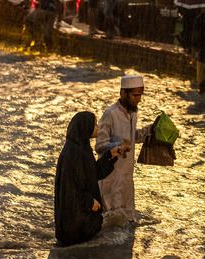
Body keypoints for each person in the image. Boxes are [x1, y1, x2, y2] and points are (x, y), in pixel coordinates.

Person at [54, 111, 120, 246]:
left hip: (75, 218)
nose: (97, 127)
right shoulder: (74, 153)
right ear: (85, 127)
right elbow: (72, 187)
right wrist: (90, 202)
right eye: (94, 124)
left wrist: (109, 156)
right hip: (74, 223)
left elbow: (92, 174)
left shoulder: (81, 148)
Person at [95, 75, 148, 226]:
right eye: (135, 95)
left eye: (140, 95)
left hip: (127, 180)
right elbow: (99, 145)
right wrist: (117, 146)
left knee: (127, 224)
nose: (139, 99)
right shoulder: (110, 114)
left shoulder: (133, 114)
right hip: (111, 180)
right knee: (109, 224)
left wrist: (149, 131)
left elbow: (132, 138)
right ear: (123, 93)